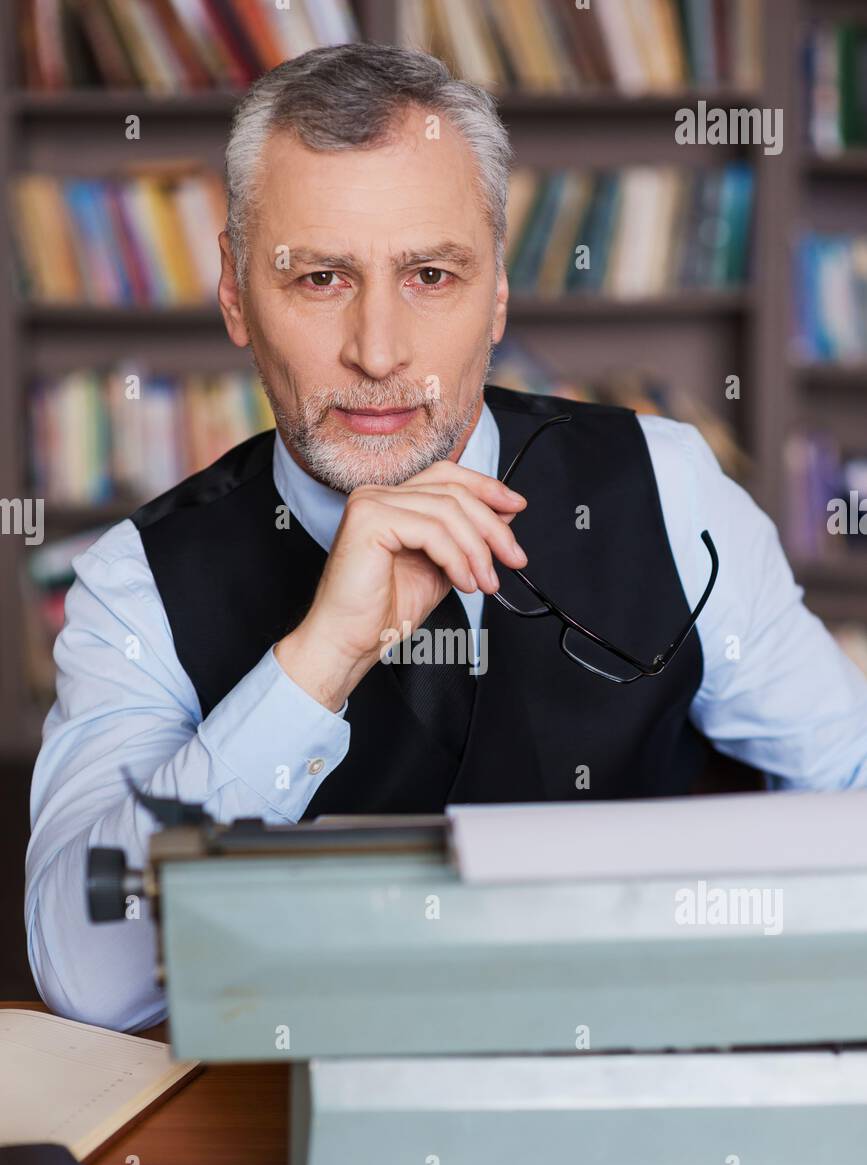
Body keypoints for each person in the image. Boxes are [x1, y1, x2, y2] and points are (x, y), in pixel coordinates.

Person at [25, 44, 867, 1032]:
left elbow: (849, 794)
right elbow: (86, 971)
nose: (377, 351)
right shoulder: (136, 582)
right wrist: (311, 665)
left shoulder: (670, 486)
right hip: (294, 1123)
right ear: (234, 293)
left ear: (499, 291)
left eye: (430, 273)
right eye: (320, 278)